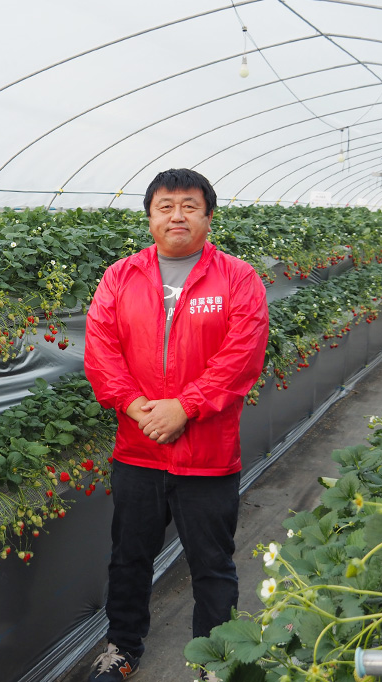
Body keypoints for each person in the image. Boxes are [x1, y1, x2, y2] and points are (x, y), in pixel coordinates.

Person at [82, 168, 269, 681]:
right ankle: (122, 648)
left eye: (189, 205)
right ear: (149, 218)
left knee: (212, 565)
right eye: (166, 206)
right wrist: (138, 406)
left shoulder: (237, 278)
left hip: (207, 455)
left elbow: (242, 356)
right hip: (138, 451)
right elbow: (101, 350)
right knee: (129, 558)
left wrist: (185, 407)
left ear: (208, 216)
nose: (177, 215)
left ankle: (213, 660)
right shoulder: (120, 277)